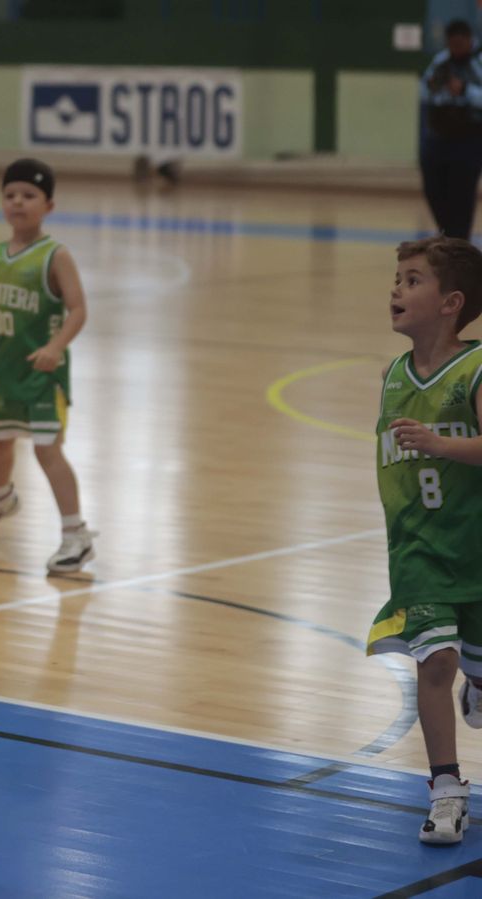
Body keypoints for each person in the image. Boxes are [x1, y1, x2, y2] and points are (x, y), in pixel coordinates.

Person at [365, 235, 482, 844]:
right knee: (434, 661)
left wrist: (441, 445)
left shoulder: (477, 370)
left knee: (472, 671)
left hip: (478, 550)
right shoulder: (391, 375)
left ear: (450, 302)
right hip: (419, 552)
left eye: (413, 281)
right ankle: (446, 790)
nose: (396, 290)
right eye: (397, 279)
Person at [0, 158, 94, 573]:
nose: (18, 202)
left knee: (47, 451)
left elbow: (79, 310)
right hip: (6, 369)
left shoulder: (56, 255)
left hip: (42, 376)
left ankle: (76, 535)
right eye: (10, 195)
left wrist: (56, 346)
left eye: (29, 195)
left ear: (48, 205)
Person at [420, 19, 482, 240]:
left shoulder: (479, 61)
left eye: (460, 45)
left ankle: (459, 240)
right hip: (440, 136)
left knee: (462, 193)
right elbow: (425, 92)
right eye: (452, 45)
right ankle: (447, 234)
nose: (456, 50)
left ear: (468, 41)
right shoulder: (441, 62)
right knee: (433, 187)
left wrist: (465, 90)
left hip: (469, 138)